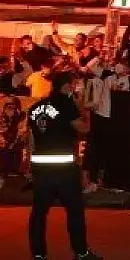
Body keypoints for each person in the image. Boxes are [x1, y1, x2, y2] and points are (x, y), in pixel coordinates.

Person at [26, 71, 102, 260]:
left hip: (41, 169)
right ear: (66, 86)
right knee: (75, 212)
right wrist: (83, 109)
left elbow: (31, 139)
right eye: (73, 85)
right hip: (64, 170)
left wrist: (29, 164)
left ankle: (38, 254)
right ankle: (81, 253)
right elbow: (85, 128)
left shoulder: (36, 107)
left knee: (39, 214)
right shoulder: (67, 104)